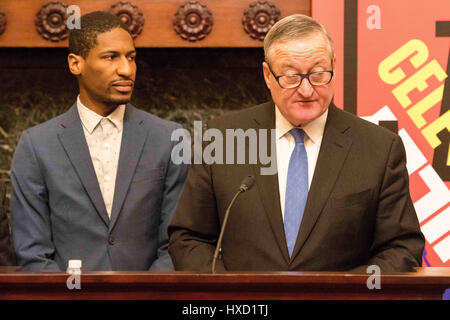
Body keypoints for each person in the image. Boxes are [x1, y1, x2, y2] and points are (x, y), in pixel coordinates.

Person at [168, 14, 424, 272]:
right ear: (268, 75)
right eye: (290, 76)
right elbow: (189, 238)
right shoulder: (222, 139)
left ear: (334, 66)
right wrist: (231, 294)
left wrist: (345, 292)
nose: (306, 90)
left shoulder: (379, 147)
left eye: (318, 73)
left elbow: (401, 246)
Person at [10, 12, 188, 272]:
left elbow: (176, 244)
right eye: (110, 57)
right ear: (75, 64)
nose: (126, 70)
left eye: (131, 57)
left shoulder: (170, 139)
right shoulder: (36, 146)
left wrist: (144, 295)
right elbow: (33, 254)